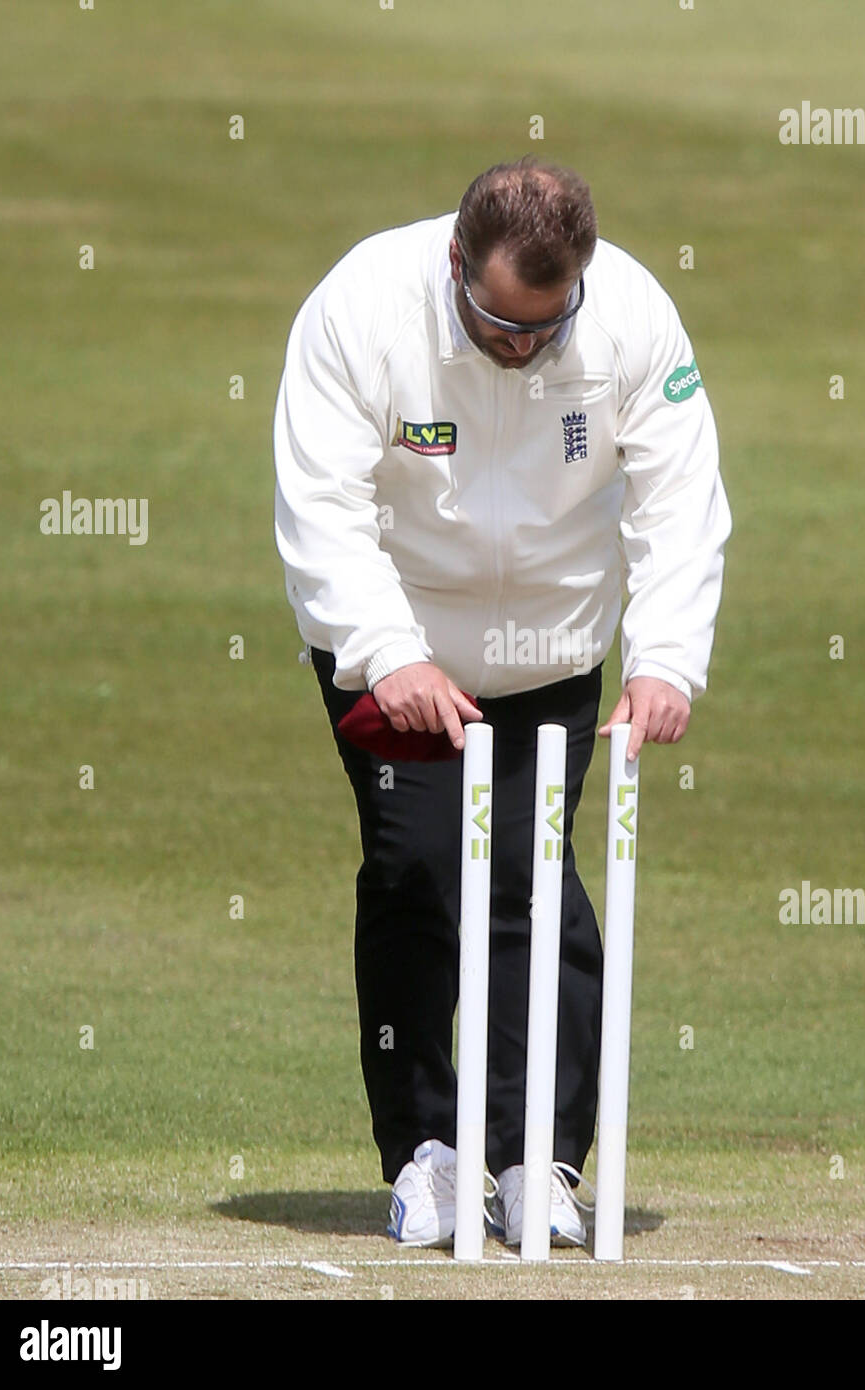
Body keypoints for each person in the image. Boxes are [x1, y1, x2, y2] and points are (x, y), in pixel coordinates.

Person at [273, 156, 731, 1248]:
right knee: (417, 872)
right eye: (495, 322)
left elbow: (678, 492)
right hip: (395, 645)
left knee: (533, 884)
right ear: (453, 264)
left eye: (543, 324)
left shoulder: (627, 314)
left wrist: (663, 656)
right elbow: (321, 502)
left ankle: (538, 1157)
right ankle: (427, 1154)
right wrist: (388, 652)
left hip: (555, 649)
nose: (520, 344)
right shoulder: (360, 307)